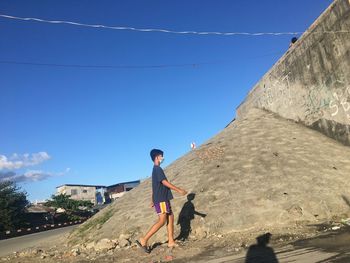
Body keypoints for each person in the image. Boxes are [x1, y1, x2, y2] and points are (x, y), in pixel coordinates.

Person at [136, 149, 187, 253]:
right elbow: (164, 182)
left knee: (171, 217)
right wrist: (178, 190)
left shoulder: (155, 170)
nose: (163, 158)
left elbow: (154, 186)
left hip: (162, 198)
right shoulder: (157, 169)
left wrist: (152, 200)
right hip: (161, 199)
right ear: (157, 157)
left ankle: (171, 241)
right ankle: (144, 239)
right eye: (161, 156)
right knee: (162, 220)